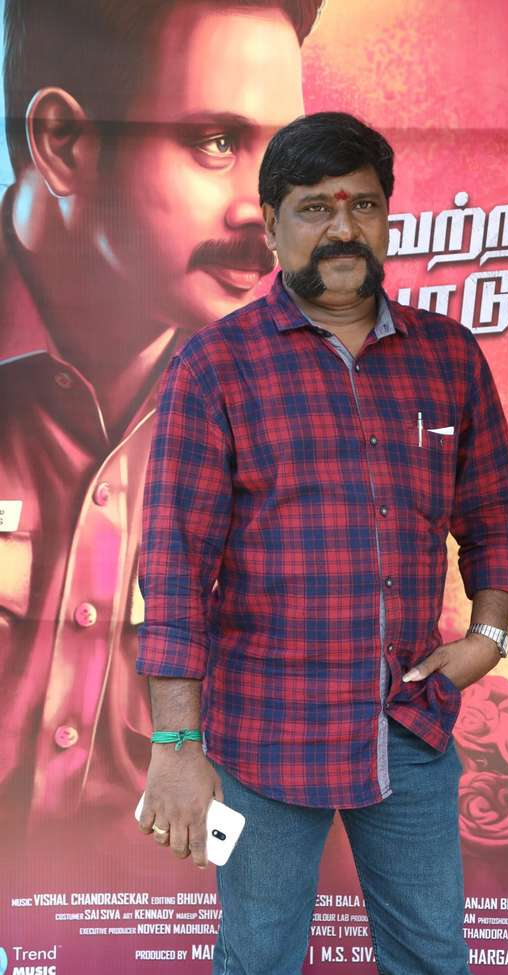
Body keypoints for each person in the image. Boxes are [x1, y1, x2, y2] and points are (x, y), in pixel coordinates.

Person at [137, 111, 508, 975]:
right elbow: (173, 566)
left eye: (363, 204)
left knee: (432, 956)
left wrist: (487, 636)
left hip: (409, 725)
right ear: (272, 225)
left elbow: (496, 512)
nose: (343, 227)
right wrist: (175, 746)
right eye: (315, 207)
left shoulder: (449, 356)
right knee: (259, 955)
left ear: (387, 216)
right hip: (265, 734)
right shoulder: (216, 366)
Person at [0, 0, 321, 841]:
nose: (268, 209)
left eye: (284, 157)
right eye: (217, 142)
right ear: (63, 142)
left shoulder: (289, 393)